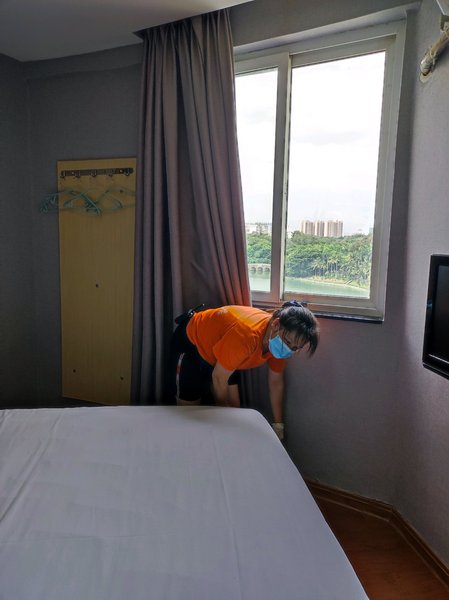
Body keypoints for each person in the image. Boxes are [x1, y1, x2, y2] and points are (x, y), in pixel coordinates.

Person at [169, 301, 319, 440]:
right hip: (192, 342)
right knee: (190, 412)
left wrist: (278, 425)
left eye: (296, 348)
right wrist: (223, 415)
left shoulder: (280, 343)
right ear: (276, 324)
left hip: (226, 350)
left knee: (235, 409)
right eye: (288, 342)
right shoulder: (248, 335)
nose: (289, 349)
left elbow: (276, 383)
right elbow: (219, 378)